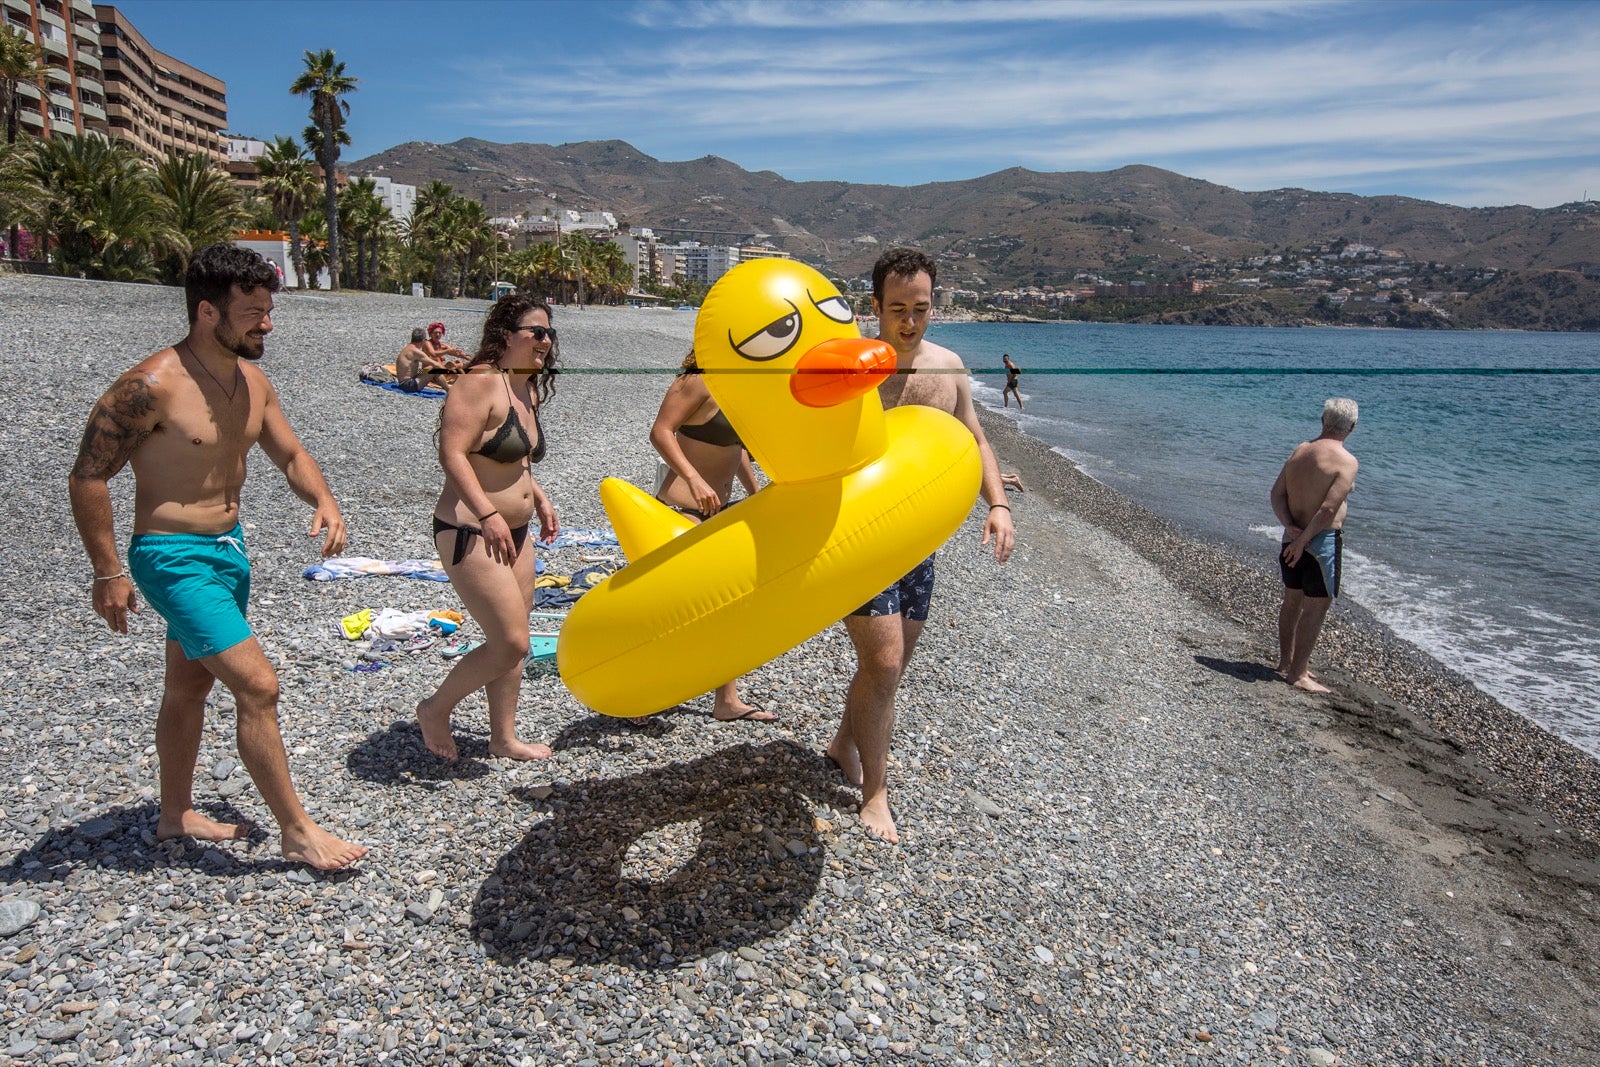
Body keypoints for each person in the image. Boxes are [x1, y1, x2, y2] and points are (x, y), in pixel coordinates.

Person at [67, 244, 366, 871]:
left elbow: (289, 454)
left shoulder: (253, 381)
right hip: (170, 556)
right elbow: (89, 476)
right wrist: (107, 572)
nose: (268, 324)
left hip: (229, 551)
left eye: (269, 310)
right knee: (258, 685)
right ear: (208, 311)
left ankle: (174, 814)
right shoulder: (148, 387)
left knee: (188, 687)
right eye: (254, 313)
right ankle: (298, 830)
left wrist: (325, 498)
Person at [827, 248, 1014, 843]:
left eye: (922, 309)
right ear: (875, 307)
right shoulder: (850, 366)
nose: (910, 321)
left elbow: (975, 437)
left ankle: (840, 744)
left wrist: (999, 504)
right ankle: (875, 793)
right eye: (898, 309)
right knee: (882, 664)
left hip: (920, 540)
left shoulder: (949, 366)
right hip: (857, 537)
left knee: (892, 665)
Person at [416, 293, 561, 761]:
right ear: (506, 336)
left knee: (515, 641)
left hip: (515, 532)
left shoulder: (526, 386)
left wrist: (538, 499)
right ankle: (435, 709)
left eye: (550, 334)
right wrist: (489, 514)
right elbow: (452, 455)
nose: (545, 341)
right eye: (536, 332)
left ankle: (503, 738)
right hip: (470, 528)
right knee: (510, 640)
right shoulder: (478, 383)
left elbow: (516, 460)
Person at [648, 349, 771, 722]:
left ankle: (726, 699)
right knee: (673, 611)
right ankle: (648, 693)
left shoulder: (741, 388)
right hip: (680, 511)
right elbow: (660, 432)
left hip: (720, 514)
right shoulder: (697, 380)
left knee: (726, 608)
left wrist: (755, 494)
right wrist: (693, 478)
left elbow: (738, 452)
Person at [1270, 397, 1359, 694]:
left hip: (1291, 537)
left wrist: (1290, 529)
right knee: (1316, 608)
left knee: (1292, 600)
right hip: (1320, 542)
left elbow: (1276, 495)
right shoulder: (1346, 461)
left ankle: (1286, 663)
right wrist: (1305, 539)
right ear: (1352, 426)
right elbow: (1327, 511)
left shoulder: (1300, 451)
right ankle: (1298, 673)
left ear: (1323, 420)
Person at [395, 327, 454, 393]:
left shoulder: (408, 348)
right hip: (408, 385)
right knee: (434, 369)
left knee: (429, 369)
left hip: (404, 381)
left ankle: (448, 389)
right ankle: (449, 391)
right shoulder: (416, 351)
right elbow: (435, 364)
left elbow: (415, 371)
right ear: (423, 340)